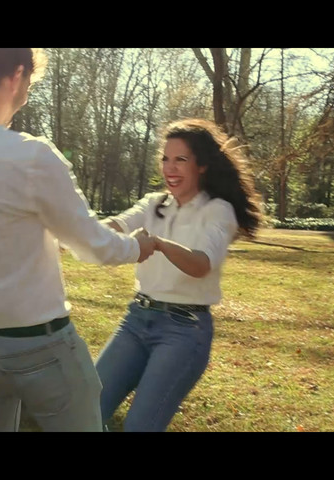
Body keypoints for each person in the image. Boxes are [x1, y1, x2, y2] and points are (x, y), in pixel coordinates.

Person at [0, 48, 156, 432]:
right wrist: (138, 246)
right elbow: (95, 246)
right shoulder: (29, 156)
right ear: (16, 76)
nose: (27, 93)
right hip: (41, 347)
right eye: (28, 83)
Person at [95, 118, 262, 431]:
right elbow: (113, 226)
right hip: (136, 320)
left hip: (184, 331)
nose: (170, 168)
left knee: (140, 426)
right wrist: (76, 229)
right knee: (85, 408)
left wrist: (157, 243)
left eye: (181, 160)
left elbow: (200, 265)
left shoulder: (217, 210)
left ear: (201, 166)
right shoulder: (153, 204)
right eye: (165, 159)